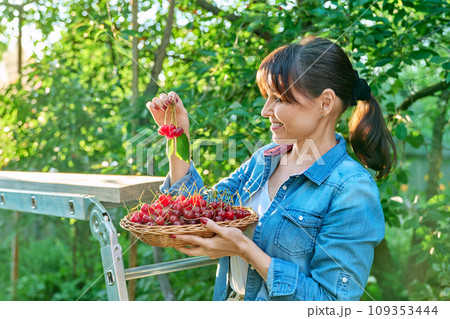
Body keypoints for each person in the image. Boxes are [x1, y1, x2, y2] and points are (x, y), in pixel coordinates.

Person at [146, 36, 397, 301]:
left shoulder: (352, 189)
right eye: (268, 98)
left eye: (279, 99)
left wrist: (245, 249)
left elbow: (331, 304)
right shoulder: (265, 160)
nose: (266, 111)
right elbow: (196, 213)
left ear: (325, 103)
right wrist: (177, 136)